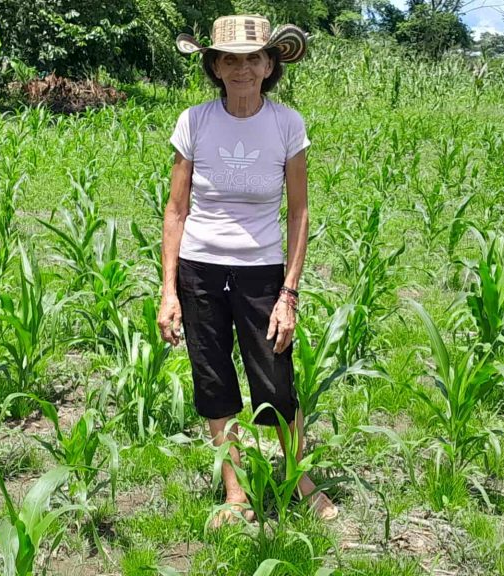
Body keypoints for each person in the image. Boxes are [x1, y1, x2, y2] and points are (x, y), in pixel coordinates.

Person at [157, 14, 338, 527]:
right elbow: (176, 210)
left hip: (262, 272)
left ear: (269, 65)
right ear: (214, 66)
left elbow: (299, 211)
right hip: (200, 269)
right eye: (229, 60)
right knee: (213, 380)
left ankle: (299, 480)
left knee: (276, 382)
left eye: (252, 59)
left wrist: (289, 293)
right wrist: (169, 290)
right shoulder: (194, 121)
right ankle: (235, 492)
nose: (241, 69)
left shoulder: (287, 124)